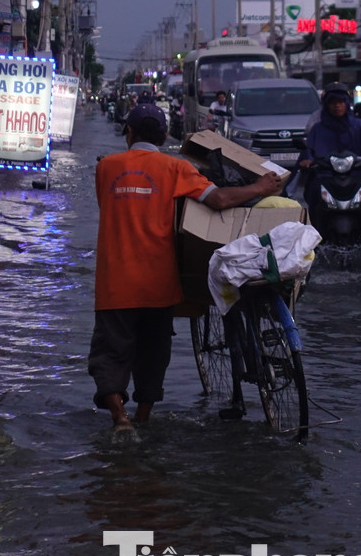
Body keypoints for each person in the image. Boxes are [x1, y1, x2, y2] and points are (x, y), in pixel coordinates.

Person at [91, 103, 283, 431]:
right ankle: (142, 417)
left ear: (129, 133)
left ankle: (119, 417)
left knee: (110, 354)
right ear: (164, 134)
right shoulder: (175, 169)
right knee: (153, 354)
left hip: (115, 283)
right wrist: (260, 188)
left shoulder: (106, 167)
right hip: (158, 284)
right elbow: (219, 200)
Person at [298, 84, 361, 260]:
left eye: (341, 102)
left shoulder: (359, 126)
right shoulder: (318, 128)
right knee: (313, 195)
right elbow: (309, 150)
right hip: (325, 176)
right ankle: (312, 248)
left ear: (347, 104)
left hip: (356, 176)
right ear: (327, 105)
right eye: (333, 102)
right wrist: (306, 160)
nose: (337, 106)